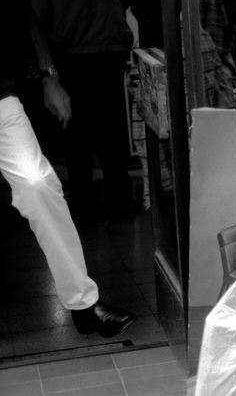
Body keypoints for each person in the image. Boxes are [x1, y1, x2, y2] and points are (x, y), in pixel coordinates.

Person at [0, 18, 137, 338]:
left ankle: (84, 305)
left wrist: (48, 76)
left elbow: (25, 15)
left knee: (39, 185)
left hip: (1, 100)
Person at [29, 0, 136, 222]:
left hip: (71, 57)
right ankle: (120, 202)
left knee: (75, 134)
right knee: (113, 131)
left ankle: (84, 208)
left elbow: (36, 13)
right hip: (111, 54)